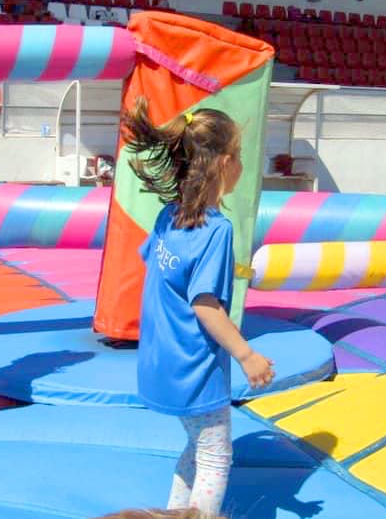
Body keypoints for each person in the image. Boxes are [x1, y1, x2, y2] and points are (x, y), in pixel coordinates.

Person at [125, 98, 275, 515]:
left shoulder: (169, 216)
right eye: (239, 157)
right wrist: (246, 355)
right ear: (225, 164)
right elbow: (205, 305)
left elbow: (155, 263)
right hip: (195, 366)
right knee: (214, 454)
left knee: (197, 445)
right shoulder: (217, 231)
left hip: (160, 359)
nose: (241, 165)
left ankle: (176, 513)